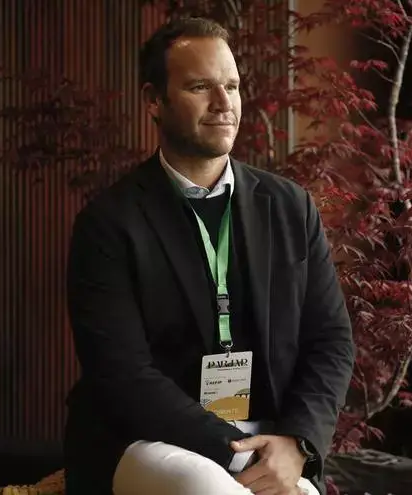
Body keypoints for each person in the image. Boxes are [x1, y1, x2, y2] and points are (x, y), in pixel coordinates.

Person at [62, 17, 355, 495]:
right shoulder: (109, 223)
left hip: (271, 434)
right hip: (143, 440)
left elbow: (331, 339)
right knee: (211, 490)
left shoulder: (289, 206)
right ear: (154, 100)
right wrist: (235, 450)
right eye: (201, 86)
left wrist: (299, 443)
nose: (225, 104)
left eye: (232, 86)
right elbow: (122, 375)